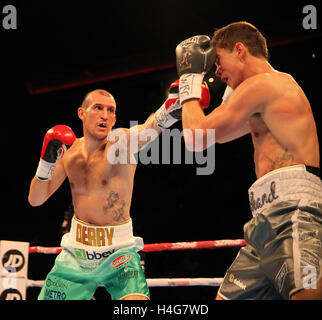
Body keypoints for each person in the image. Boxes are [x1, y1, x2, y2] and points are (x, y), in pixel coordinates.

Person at [175, 22, 322, 300]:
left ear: (240, 50)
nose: (216, 72)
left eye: (219, 60)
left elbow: (196, 138)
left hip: (294, 214)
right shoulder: (263, 96)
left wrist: (189, 80)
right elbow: (213, 135)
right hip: (264, 224)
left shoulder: (265, 84)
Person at [28, 83, 206, 300]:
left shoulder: (121, 143)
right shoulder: (69, 154)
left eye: (110, 110)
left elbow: (148, 129)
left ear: (114, 118)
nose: (105, 115)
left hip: (119, 252)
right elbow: (35, 199)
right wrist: (46, 162)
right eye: (98, 108)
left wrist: (169, 108)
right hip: (77, 253)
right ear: (82, 113)